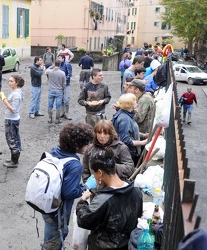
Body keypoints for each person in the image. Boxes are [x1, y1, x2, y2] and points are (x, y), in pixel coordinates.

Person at [76, 147, 143, 250]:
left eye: (94, 175)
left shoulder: (103, 199)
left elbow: (84, 220)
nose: (95, 178)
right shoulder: (136, 191)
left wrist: (83, 201)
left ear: (100, 173)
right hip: (128, 245)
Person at [41, 122, 94, 250]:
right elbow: (69, 193)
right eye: (86, 144)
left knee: (50, 235)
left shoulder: (56, 150)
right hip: (58, 211)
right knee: (54, 241)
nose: (88, 147)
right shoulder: (75, 165)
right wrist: (86, 186)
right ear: (77, 145)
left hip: (46, 203)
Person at [0, 75, 25, 168]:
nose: (9, 83)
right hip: (12, 119)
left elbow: (13, 109)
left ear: (17, 83)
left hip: (12, 119)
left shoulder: (16, 94)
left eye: (11, 81)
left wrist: (3, 98)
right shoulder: (15, 92)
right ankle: (13, 158)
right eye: (9, 81)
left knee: (11, 139)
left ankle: (14, 161)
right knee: (14, 138)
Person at [111, 93, 148, 165]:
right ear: (130, 104)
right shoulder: (125, 119)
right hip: (128, 154)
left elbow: (131, 131)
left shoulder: (125, 114)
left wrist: (143, 135)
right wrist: (144, 142)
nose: (136, 102)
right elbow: (125, 140)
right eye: (135, 101)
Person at [46, 59, 66, 124]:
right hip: (59, 91)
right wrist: (63, 89)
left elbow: (46, 70)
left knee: (50, 105)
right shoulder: (62, 73)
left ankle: (50, 118)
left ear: (54, 64)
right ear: (60, 65)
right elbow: (64, 84)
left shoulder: (50, 72)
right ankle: (57, 119)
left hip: (51, 90)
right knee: (58, 105)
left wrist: (52, 66)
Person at [58, 54, 72, 120]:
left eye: (60, 58)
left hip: (66, 84)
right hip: (59, 85)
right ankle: (62, 112)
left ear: (63, 58)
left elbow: (69, 73)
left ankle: (67, 113)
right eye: (58, 58)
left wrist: (65, 81)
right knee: (60, 99)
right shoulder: (58, 65)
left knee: (66, 99)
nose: (58, 59)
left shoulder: (67, 64)